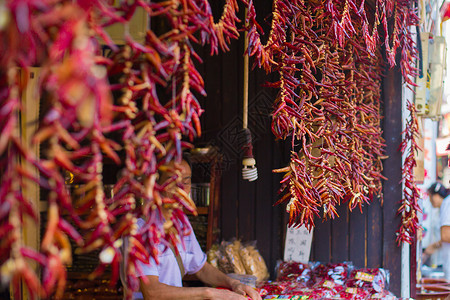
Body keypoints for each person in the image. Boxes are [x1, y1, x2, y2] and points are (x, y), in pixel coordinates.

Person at [130, 156, 261, 300]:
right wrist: (209, 293)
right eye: (172, 181)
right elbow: (151, 292)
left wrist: (234, 283)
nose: (181, 189)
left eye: (186, 182)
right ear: (155, 184)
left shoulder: (181, 222)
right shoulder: (138, 229)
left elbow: (201, 268)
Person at [423, 182, 450, 280]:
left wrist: (434, 246)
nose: (430, 201)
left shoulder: (447, 203)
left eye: (430, 197)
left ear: (436, 196)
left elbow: (446, 235)